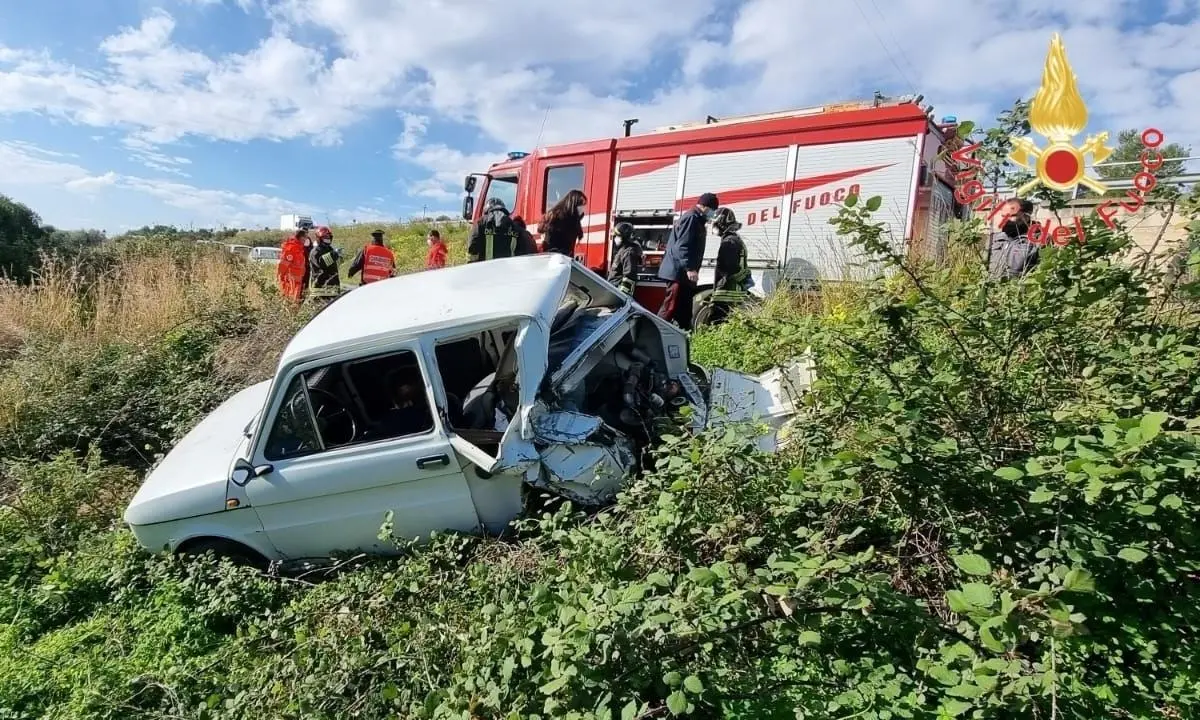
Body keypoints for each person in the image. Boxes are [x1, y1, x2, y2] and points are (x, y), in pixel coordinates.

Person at [657, 192, 719, 331]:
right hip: (678, 273)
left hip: (682, 274)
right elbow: (682, 246)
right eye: (712, 210)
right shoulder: (691, 218)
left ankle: (685, 336)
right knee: (670, 308)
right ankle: (655, 333)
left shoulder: (697, 219)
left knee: (684, 310)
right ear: (705, 207)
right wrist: (690, 268)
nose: (713, 214)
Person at [703, 207, 752, 325]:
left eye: (715, 224)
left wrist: (720, 286)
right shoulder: (735, 239)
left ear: (721, 223)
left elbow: (728, 268)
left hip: (726, 293)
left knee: (715, 323)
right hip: (731, 293)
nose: (713, 228)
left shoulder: (729, 242)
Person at [987, 198, 1039, 281]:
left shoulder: (1038, 240)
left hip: (1019, 291)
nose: (1005, 220)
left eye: (1012, 216)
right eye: (1003, 216)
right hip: (992, 290)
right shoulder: (994, 239)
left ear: (1026, 217)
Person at [467, 198, 522, 263]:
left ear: (486, 209)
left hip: (486, 270)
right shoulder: (514, 226)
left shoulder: (480, 223)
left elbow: (472, 246)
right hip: (508, 270)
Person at [538, 189, 587, 257]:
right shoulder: (556, 216)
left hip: (564, 257)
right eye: (581, 204)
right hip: (554, 257)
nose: (583, 208)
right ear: (573, 203)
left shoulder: (574, 218)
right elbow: (549, 239)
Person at [606, 222, 642, 295]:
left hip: (617, 292)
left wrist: (622, 296)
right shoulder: (623, 250)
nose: (615, 238)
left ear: (624, 237)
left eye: (617, 236)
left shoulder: (629, 253)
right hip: (613, 289)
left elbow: (629, 276)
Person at [276, 228, 309, 303]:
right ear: (301, 237)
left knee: (294, 304)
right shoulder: (291, 248)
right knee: (289, 303)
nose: (306, 239)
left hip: (297, 283)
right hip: (289, 283)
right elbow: (283, 266)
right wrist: (280, 279)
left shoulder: (299, 248)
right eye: (305, 237)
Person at [308, 226, 341, 298]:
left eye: (329, 236)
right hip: (321, 288)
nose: (328, 238)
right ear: (319, 238)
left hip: (332, 288)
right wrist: (334, 254)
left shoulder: (329, 249)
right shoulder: (315, 252)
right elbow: (322, 263)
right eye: (325, 237)